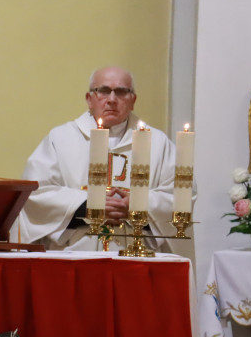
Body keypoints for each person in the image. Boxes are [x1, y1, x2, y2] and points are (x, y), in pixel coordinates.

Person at [19, 66, 184, 252]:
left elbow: (180, 194)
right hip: (75, 253)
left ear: (133, 100)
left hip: (137, 256)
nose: (112, 100)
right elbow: (36, 193)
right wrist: (86, 205)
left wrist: (139, 204)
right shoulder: (60, 138)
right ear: (89, 99)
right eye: (104, 91)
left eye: (121, 92)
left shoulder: (158, 143)